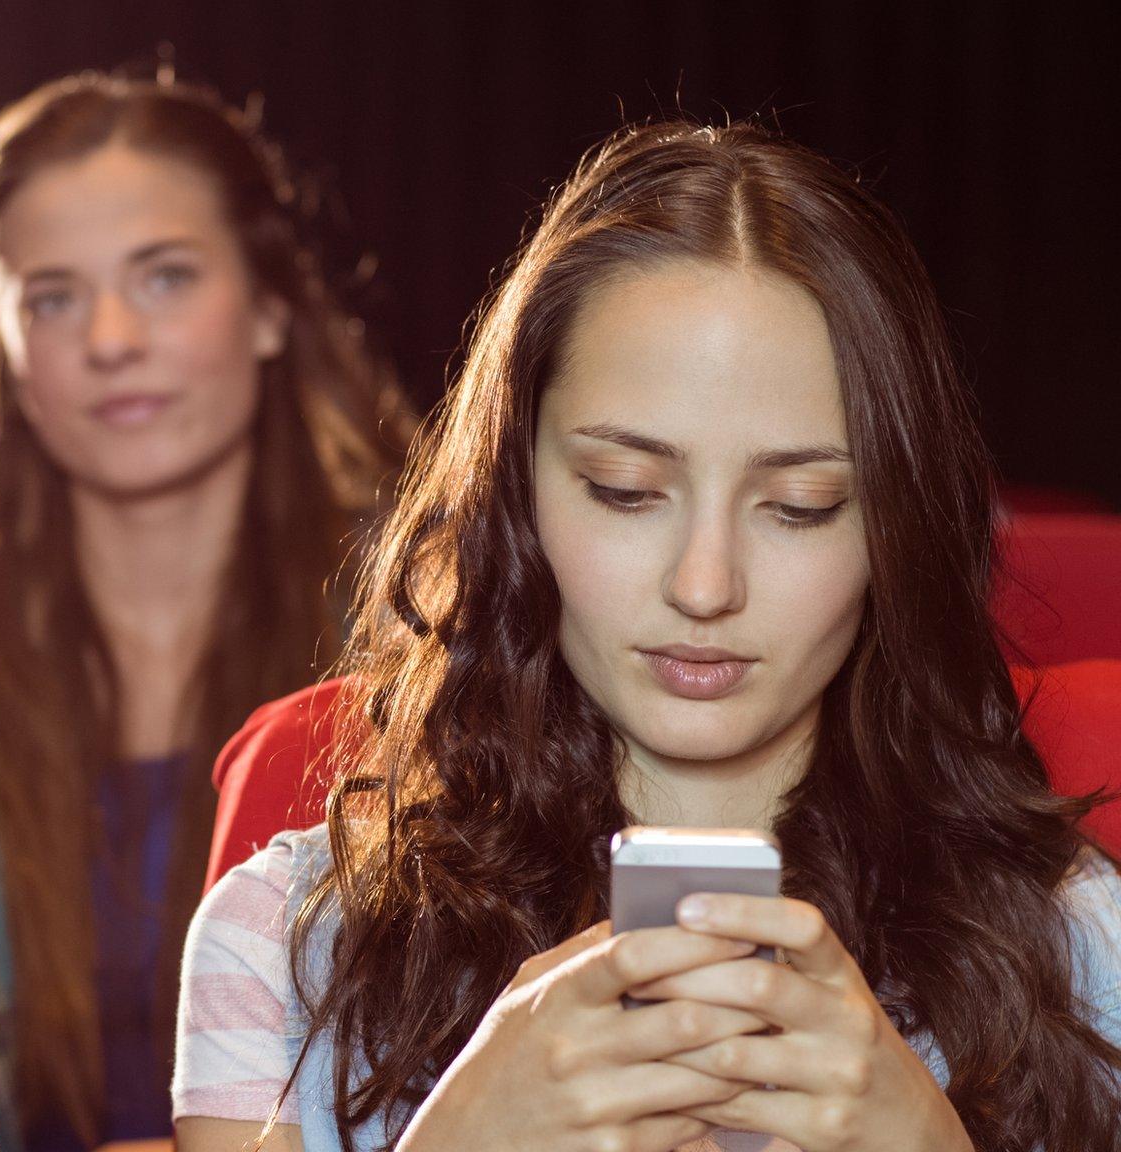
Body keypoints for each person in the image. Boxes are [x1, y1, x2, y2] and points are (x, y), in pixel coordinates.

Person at [173, 121, 1121, 1152]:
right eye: (625, 492)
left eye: (798, 505)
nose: (703, 585)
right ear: (511, 495)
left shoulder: (1076, 943)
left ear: (893, 527)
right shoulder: (282, 939)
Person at [0, 72, 410, 1152]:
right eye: (51, 296)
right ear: (4, 346)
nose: (107, 338)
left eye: (164, 279)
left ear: (272, 304)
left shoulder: (421, 623)